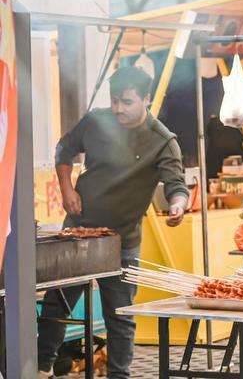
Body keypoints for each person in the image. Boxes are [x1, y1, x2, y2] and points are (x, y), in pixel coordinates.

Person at [38, 66, 190, 379]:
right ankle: (40, 368)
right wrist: (66, 186)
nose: (118, 108)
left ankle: (119, 375)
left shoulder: (163, 141)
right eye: (115, 100)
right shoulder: (96, 120)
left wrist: (178, 205)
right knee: (57, 306)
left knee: (119, 316)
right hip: (78, 232)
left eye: (127, 101)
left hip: (123, 241)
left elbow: (177, 186)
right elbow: (64, 149)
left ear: (146, 99)